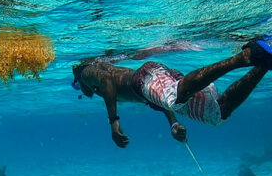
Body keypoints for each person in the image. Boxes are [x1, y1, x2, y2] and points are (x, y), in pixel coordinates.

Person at [72, 36, 272, 148]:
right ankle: (264, 63)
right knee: (218, 114)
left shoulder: (84, 73)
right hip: (151, 84)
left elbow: (107, 80)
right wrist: (173, 123)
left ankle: (246, 55)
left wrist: (114, 122)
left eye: (76, 86)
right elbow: (156, 99)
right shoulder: (98, 83)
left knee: (173, 98)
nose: (81, 90)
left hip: (145, 77)